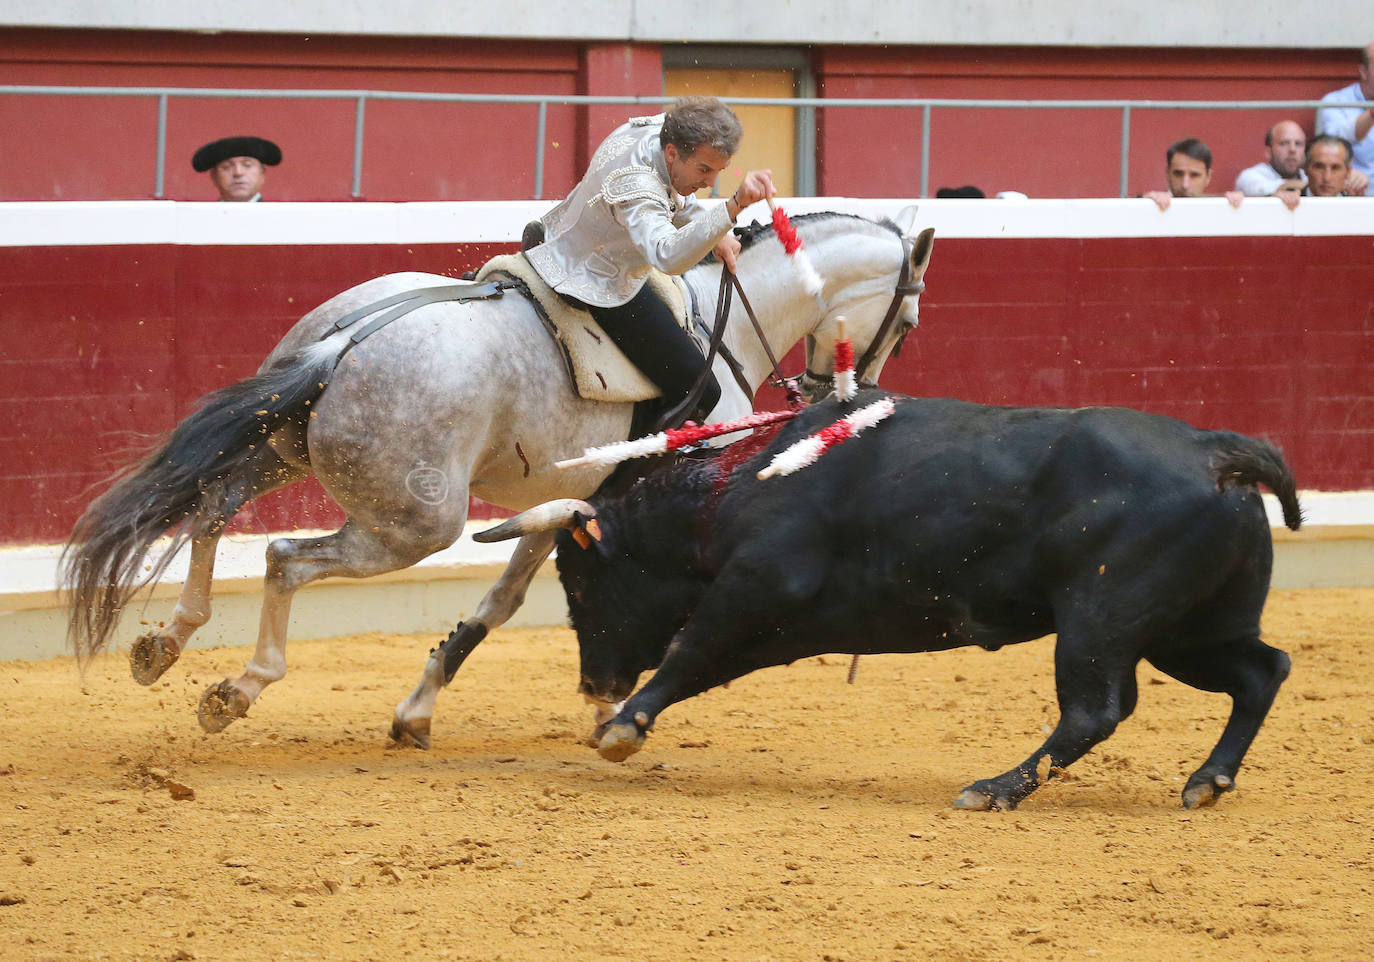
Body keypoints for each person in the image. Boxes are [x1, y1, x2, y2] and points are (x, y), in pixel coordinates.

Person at [524, 97, 776, 425]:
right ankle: (639, 459)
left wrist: (716, 231)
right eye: (704, 169)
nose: (710, 182)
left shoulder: (660, 131)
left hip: (560, 237)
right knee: (700, 390)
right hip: (591, 278)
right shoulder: (637, 183)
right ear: (672, 152)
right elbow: (667, 255)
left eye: (718, 171)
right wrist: (732, 207)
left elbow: (674, 194)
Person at [1315, 43, 1374, 196]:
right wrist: (1371, 113)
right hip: (1352, 197)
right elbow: (1335, 142)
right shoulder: (1335, 102)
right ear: (1363, 72)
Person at [1143, 138, 1243, 211]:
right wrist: (1147, 204)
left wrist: (1236, 206)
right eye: (1178, 174)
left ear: (1208, 177)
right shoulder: (1150, 203)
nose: (1185, 185)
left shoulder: (1221, 206)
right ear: (1168, 173)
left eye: (1195, 175)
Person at [191, 136, 282, 202]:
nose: (238, 173)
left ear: (262, 174)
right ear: (214, 176)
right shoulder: (201, 219)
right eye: (227, 166)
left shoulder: (281, 218)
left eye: (247, 165)